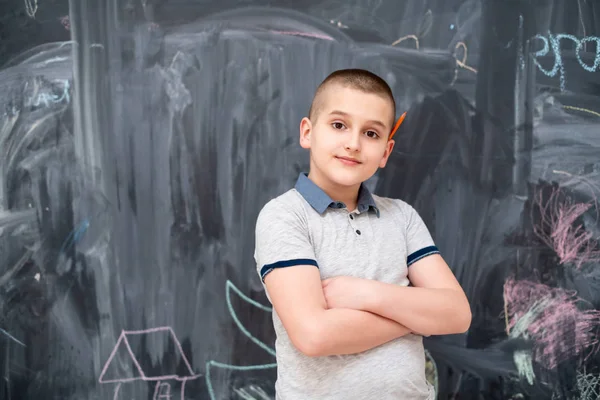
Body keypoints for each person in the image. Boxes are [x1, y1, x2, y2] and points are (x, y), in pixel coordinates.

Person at [253, 68, 471, 400]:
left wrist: (364, 294)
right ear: (308, 132)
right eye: (339, 125)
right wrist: (417, 319)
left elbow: (457, 314)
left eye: (371, 134)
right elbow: (315, 335)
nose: (353, 144)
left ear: (386, 151)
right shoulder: (285, 216)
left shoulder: (402, 217)